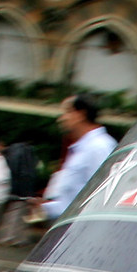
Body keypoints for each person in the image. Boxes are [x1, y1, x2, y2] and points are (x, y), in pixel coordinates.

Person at [41, 93, 117, 223]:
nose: (61, 119)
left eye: (67, 112)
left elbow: (104, 195)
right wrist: (44, 208)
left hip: (85, 227)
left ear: (80, 115)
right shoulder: (81, 149)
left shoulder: (99, 147)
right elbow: (69, 203)